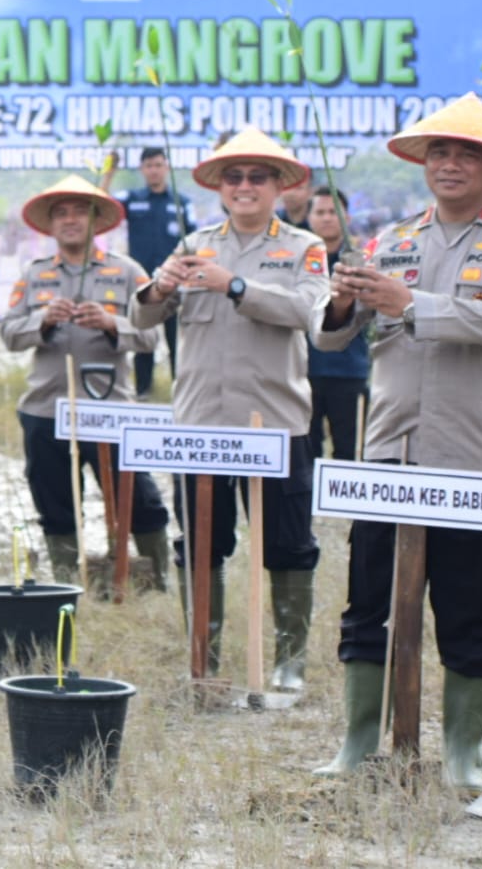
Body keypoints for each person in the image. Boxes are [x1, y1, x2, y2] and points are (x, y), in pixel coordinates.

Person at [312, 93, 482, 790]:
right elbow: (331, 337)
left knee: (470, 607)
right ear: (424, 163)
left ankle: (461, 754)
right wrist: (343, 299)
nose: (450, 165)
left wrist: (407, 303)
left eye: (466, 154)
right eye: (439, 152)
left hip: (472, 452)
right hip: (389, 449)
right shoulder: (389, 242)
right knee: (367, 604)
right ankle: (358, 742)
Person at [132, 129, 328, 691]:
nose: (244, 187)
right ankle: (204, 662)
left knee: (289, 546)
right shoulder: (193, 242)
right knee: (197, 544)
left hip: (274, 424)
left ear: (277, 187)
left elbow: (310, 311)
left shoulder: (302, 247)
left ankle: (289, 664)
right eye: (234, 177)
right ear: (219, 187)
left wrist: (235, 284)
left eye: (257, 177)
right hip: (201, 425)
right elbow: (143, 318)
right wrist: (157, 288)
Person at [1, 174, 172, 589]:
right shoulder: (34, 274)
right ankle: (66, 585)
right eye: (62, 213)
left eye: (80, 211)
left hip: (111, 411)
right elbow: (9, 334)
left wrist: (112, 323)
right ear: (51, 224)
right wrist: (42, 320)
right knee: (56, 505)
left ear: (97, 221)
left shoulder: (127, 271)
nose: (71, 220)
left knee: (141, 503)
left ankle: (157, 580)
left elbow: (151, 337)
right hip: (46, 409)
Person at [116, 146, 195, 397]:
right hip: (141, 282)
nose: (154, 170)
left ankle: (179, 391)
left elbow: (194, 241)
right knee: (143, 337)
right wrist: (108, 171)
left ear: (167, 168)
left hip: (174, 281)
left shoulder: (182, 203)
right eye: (149, 165)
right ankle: (142, 391)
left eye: (158, 165)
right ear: (142, 169)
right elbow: (99, 206)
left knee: (177, 340)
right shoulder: (132, 198)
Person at [304, 188, 369, 460]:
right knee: (308, 449)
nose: (327, 218)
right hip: (305, 368)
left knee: (349, 451)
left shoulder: (361, 260)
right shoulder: (300, 259)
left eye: (334, 212)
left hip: (348, 370)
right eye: (320, 212)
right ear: (309, 217)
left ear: (347, 217)